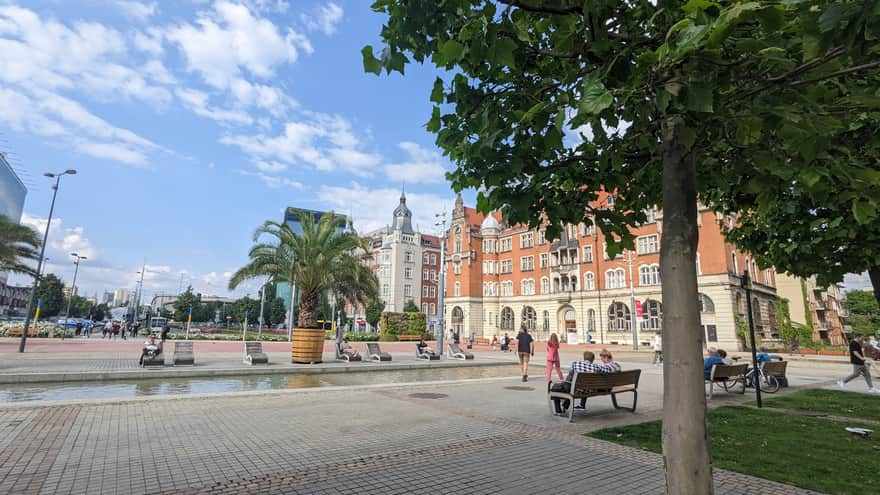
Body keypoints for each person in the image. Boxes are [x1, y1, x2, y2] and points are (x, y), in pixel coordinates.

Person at [550, 351, 615, 415]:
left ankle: (558, 411)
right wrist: (611, 361)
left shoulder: (576, 363)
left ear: (584, 358)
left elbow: (570, 375)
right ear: (592, 360)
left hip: (575, 390)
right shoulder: (596, 366)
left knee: (557, 387)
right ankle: (565, 404)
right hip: (589, 390)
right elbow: (609, 370)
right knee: (577, 384)